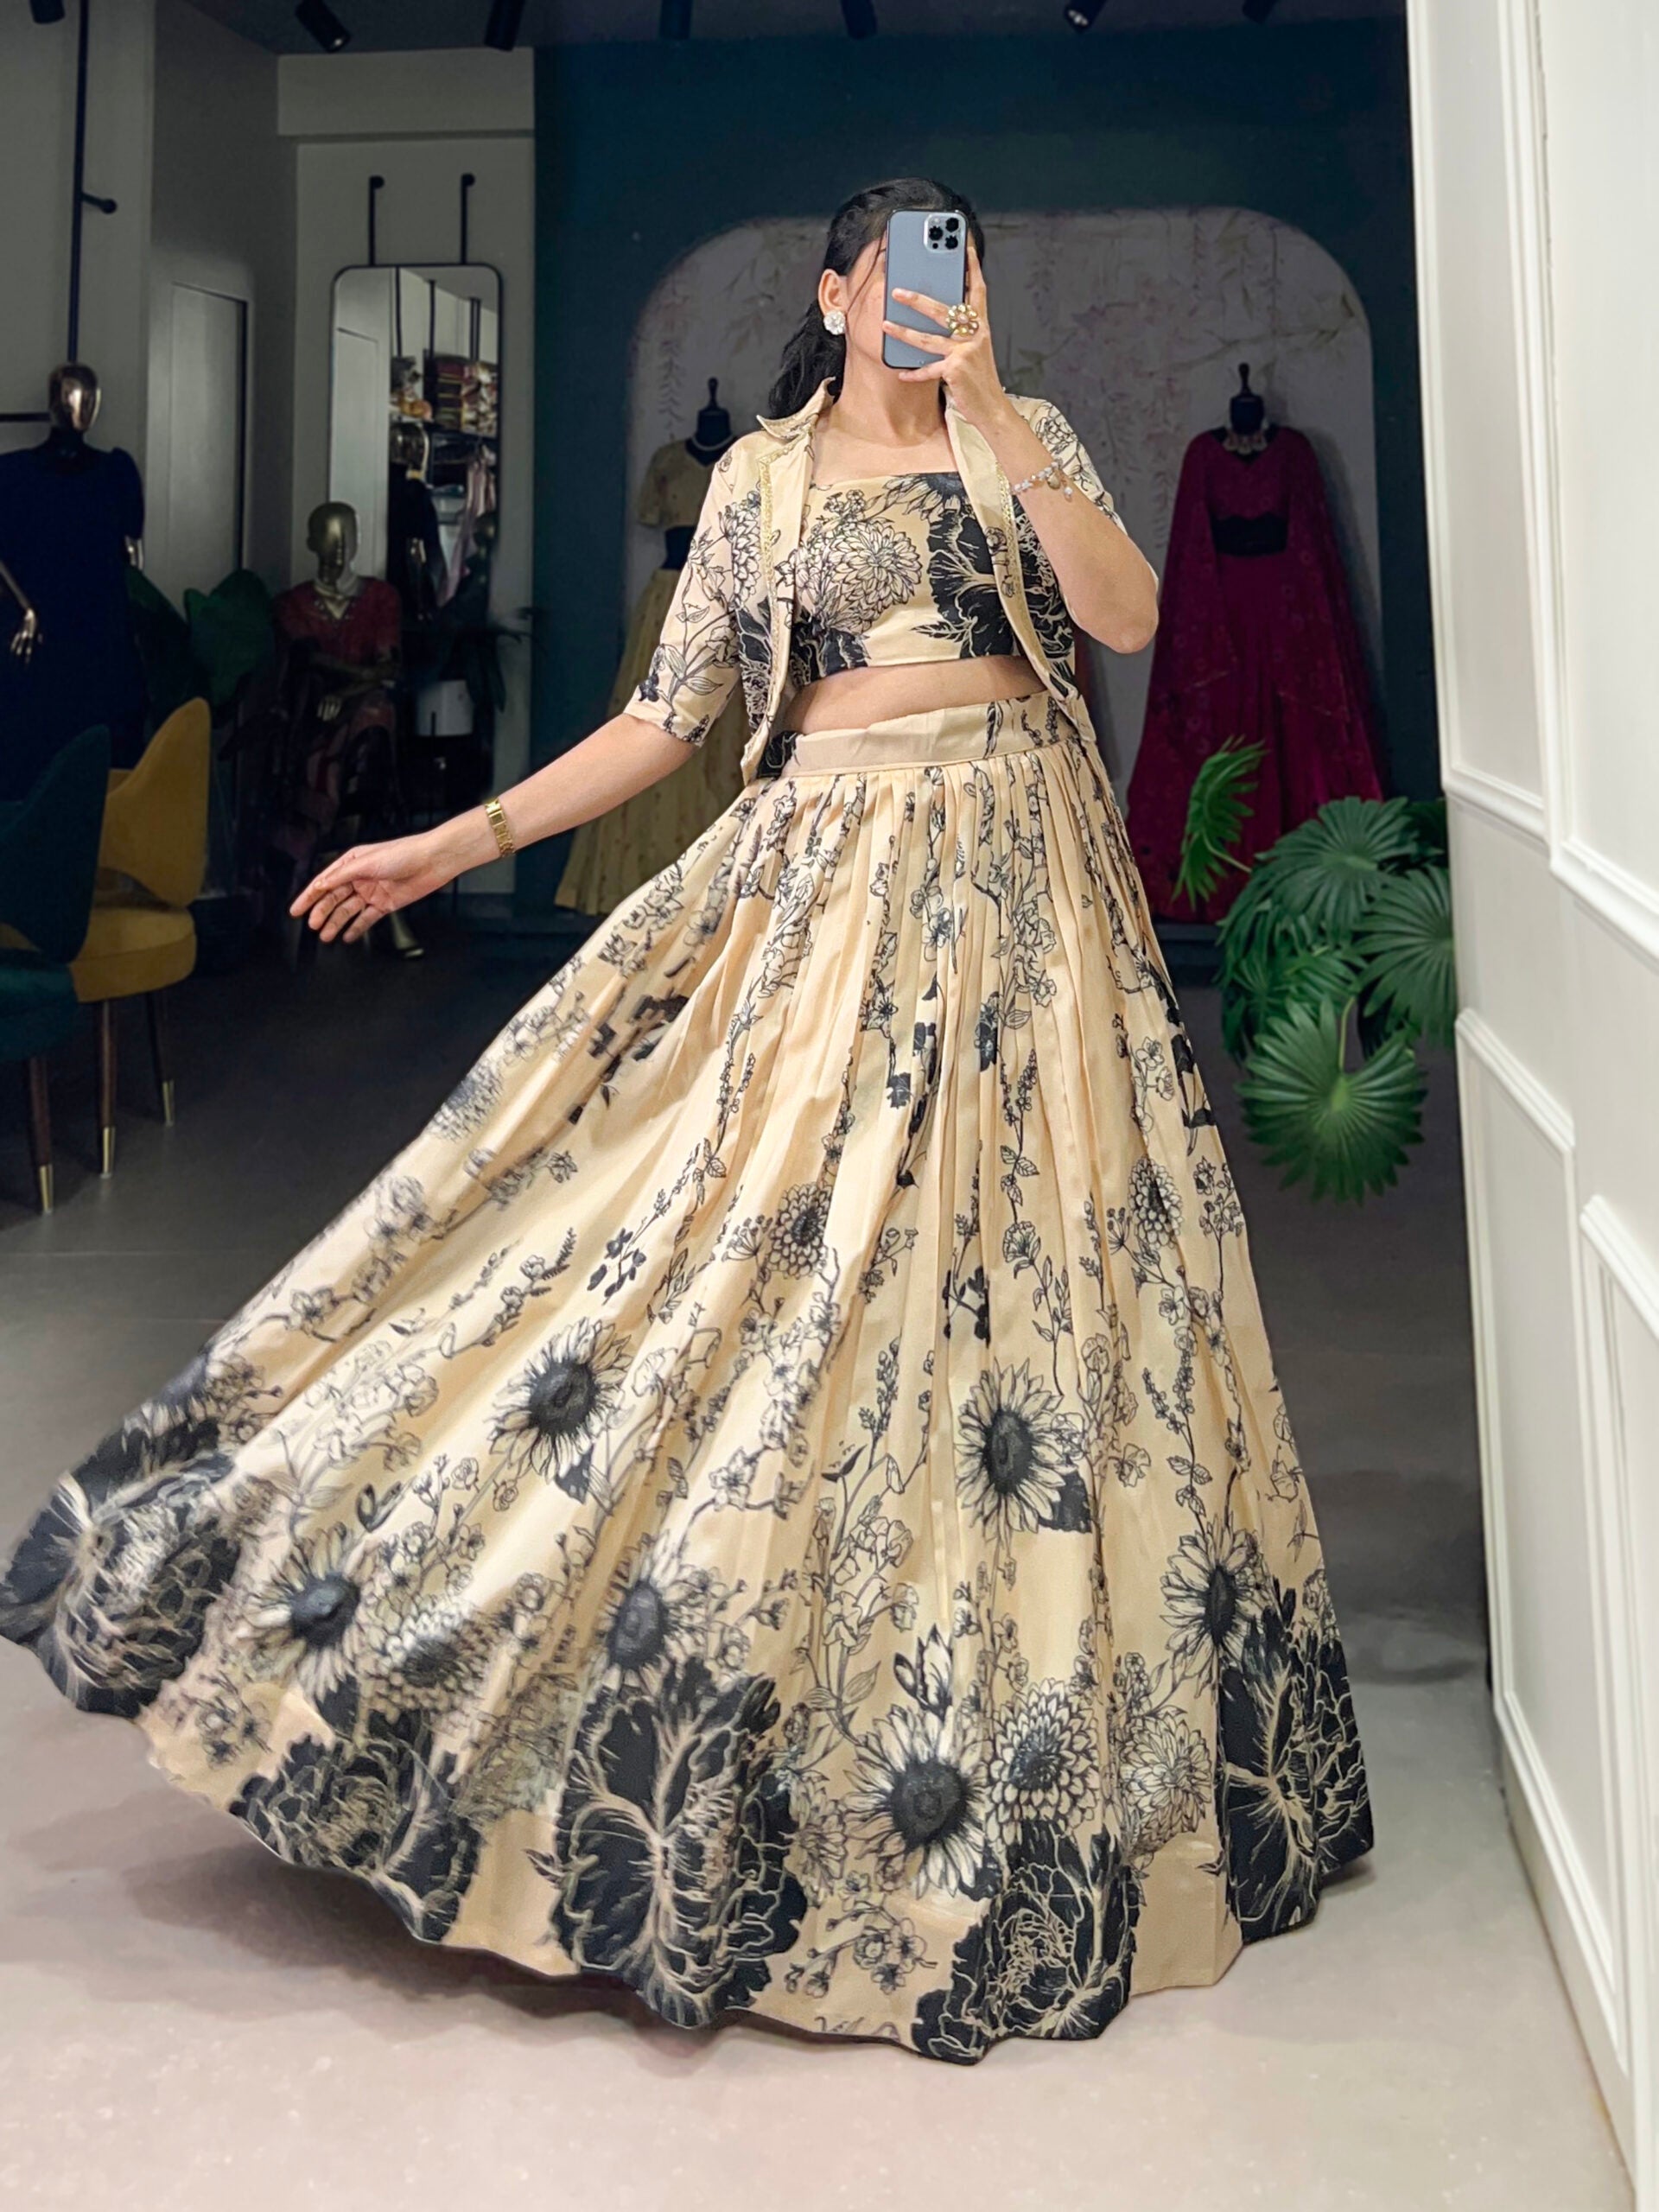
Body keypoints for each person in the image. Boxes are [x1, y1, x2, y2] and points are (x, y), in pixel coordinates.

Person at [0, 179, 1373, 2064]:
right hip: (835, 900)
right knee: (760, 1277)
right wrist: (453, 839)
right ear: (838, 293)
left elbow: (1126, 616)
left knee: (1050, 1303)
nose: (933, 306)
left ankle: (1040, 1754)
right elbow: (667, 720)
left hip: (1037, 912)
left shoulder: (1025, 436)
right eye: (904, 281)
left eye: (961, 280)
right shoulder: (764, 482)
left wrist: (994, 414)